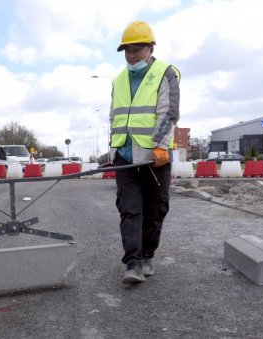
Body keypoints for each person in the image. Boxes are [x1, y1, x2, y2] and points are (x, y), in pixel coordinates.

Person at [108, 21, 180, 284]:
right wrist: (113, 149)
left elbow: (168, 112)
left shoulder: (165, 73)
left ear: (150, 48)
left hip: (154, 157)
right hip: (125, 158)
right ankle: (133, 264)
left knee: (156, 209)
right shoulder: (119, 80)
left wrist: (160, 145)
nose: (131, 54)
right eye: (127, 49)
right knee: (129, 210)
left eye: (136, 49)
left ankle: (147, 255)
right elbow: (113, 116)